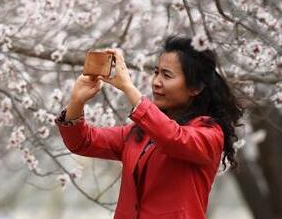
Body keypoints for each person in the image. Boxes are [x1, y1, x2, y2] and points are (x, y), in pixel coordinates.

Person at [55, 35, 243, 219]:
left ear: (196, 88)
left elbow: (173, 138)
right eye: (156, 72)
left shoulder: (209, 133)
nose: (156, 82)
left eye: (166, 75)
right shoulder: (139, 133)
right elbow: (82, 141)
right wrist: (76, 102)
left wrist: (128, 87)